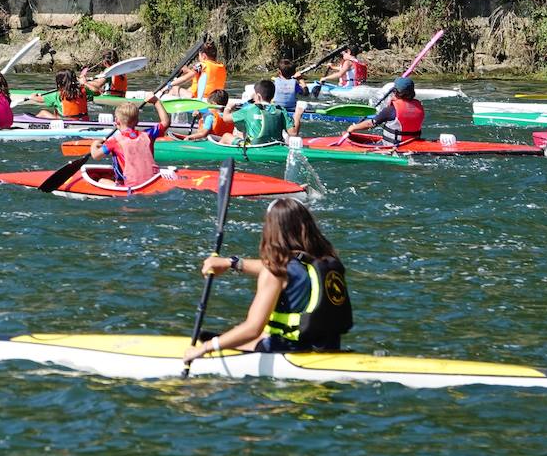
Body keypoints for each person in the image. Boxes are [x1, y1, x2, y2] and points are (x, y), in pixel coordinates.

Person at [182, 198, 352, 364]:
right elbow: (277, 269)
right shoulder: (324, 261)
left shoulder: (275, 273)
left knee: (209, 338)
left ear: (271, 229)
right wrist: (232, 263)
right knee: (224, 336)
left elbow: (253, 329)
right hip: (326, 347)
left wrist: (205, 348)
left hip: (287, 350)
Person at [88, 97, 170, 187]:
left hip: (131, 186)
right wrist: (156, 102)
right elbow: (165, 122)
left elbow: (95, 155)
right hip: (153, 182)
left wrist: (94, 144)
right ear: (137, 121)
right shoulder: (148, 135)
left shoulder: (114, 141)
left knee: (100, 180)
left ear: (117, 121)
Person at [343, 77, 423, 145]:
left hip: (394, 145)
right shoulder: (419, 106)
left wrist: (353, 127)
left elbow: (370, 124)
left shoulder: (391, 110)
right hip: (413, 143)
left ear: (395, 92)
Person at [219, 79, 287, 145]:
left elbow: (225, 118)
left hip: (253, 146)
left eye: (254, 94)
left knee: (226, 136)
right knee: (241, 134)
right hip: (273, 143)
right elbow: (293, 132)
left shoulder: (249, 109)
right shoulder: (280, 110)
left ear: (258, 96)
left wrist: (228, 108)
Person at [29, 69, 94, 120]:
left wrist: (32, 96)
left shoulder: (56, 94)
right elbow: (98, 91)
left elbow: (39, 99)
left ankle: (31, 126)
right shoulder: (84, 90)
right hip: (83, 120)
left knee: (43, 112)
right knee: (56, 110)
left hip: (65, 123)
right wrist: (85, 83)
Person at [271, 58, 310, 136]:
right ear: (293, 73)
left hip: (276, 108)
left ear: (279, 72)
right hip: (291, 109)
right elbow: (306, 93)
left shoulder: (274, 82)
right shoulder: (295, 83)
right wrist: (300, 79)